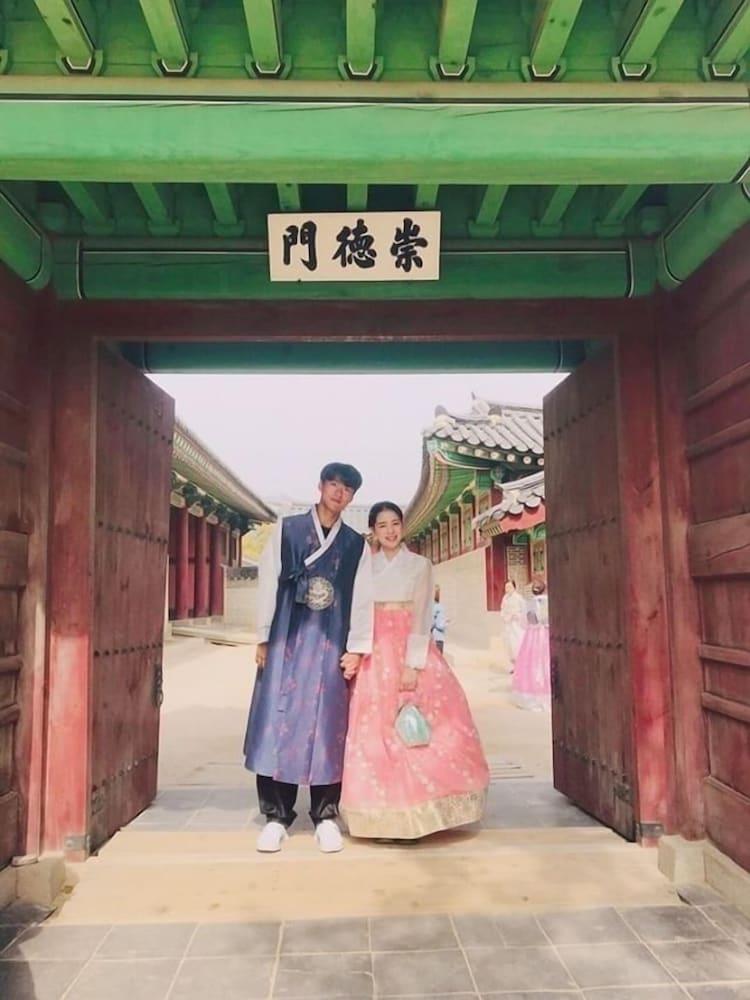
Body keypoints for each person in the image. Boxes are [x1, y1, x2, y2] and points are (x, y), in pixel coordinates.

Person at [243, 463, 373, 854]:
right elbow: (268, 581)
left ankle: (325, 815)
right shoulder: (288, 530)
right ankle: (277, 816)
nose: (339, 492)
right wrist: (263, 636)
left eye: (347, 488)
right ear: (320, 486)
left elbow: (363, 598)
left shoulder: (355, 544)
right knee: (279, 721)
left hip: (331, 643)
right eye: (334, 484)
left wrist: (357, 648)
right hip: (287, 637)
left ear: (352, 497)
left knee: (328, 724)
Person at [340, 501, 489, 841]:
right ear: (373, 531)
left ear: (403, 526)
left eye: (395, 523)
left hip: (408, 647)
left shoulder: (419, 565)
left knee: (421, 730)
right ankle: (383, 817)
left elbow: (422, 615)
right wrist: (356, 651)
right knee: (375, 734)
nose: (390, 531)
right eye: (382, 526)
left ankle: (423, 814)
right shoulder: (365, 567)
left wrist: (413, 663)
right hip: (375, 653)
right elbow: (359, 613)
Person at [511, 578, 551, 711]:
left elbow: (523, 622)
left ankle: (531, 694)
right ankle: (547, 693)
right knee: (546, 661)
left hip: (532, 636)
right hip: (547, 634)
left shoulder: (528, 603)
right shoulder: (550, 602)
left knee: (531, 662)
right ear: (545, 589)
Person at [500, 579, 526, 668]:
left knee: (517, 644)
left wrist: (518, 616)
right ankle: (514, 666)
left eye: (510, 587)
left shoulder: (519, 598)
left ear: (514, 587)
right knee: (509, 645)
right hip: (508, 624)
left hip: (517, 625)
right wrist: (505, 617)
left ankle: (521, 665)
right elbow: (502, 610)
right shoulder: (505, 598)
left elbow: (524, 610)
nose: (508, 589)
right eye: (506, 587)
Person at [431, 585, 446, 653]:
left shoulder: (430, 606)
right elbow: (441, 625)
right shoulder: (440, 607)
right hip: (439, 638)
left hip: (432, 638)